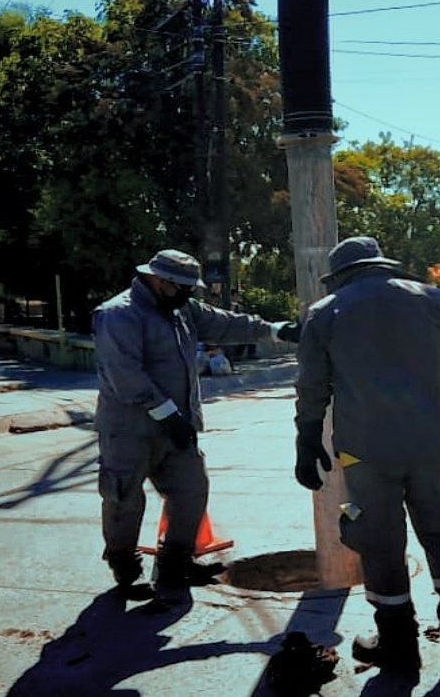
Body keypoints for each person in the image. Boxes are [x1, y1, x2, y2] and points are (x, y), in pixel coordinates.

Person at [293, 236, 440, 675]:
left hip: (365, 452)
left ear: (340, 276)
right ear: (385, 265)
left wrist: (307, 441)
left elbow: (312, 388)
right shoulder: (436, 301)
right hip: (432, 446)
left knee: (378, 541)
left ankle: (399, 643)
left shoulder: (326, 313)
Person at [93, 249, 299, 600]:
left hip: (176, 427)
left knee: (191, 490)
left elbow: (227, 323)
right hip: (129, 428)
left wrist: (277, 330)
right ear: (159, 281)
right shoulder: (118, 315)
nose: (190, 295)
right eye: (183, 288)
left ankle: (175, 564)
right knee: (123, 497)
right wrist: (167, 414)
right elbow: (125, 376)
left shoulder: (182, 310)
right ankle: (123, 565)